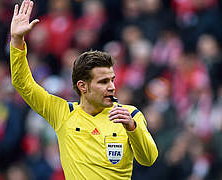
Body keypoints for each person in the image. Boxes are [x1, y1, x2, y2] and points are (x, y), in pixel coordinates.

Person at [9, 0, 158, 179]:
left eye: (112, 80)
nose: (112, 87)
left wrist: (133, 128)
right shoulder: (63, 114)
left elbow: (149, 159)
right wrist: (17, 41)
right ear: (83, 86)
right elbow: (23, 84)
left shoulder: (130, 115)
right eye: (103, 82)